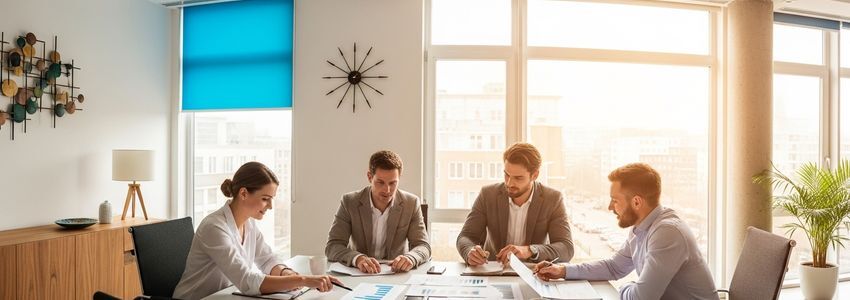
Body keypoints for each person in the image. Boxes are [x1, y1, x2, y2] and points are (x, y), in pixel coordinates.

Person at [534, 163, 718, 300]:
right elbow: (614, 267)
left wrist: (625, 287)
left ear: (636, 202)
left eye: (615, 200)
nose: (609, 207)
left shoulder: (667, 233)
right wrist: (562, 271)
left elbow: (641, 298)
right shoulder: (641, 227)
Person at [174, 162, 341, 299]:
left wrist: (287, 274)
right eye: (265, 199)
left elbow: (267, 260)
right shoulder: (214, 227)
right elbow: (247, 281)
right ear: (243, 193)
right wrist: (302, 280)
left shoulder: (249, 224)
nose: (270, 206)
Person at [456, 142, 574, 266]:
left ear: (534, 175)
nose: (509, 183)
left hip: (534, 272)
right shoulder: (488, 195)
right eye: (507, 175)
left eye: (518, 178)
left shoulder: (553, 199)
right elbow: (466, 236)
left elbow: (566, 248)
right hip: (493, 270)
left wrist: (530, 250)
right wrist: (469, 252)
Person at [325, 150, 431, 273]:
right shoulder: (349, 202)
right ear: (370, 177)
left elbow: (423, 246)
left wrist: (411, 258)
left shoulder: (411, 203)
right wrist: (357, 259)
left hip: (395, 273)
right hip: (360, 272)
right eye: (380, 182)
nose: (387, 190)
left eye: (393, 183)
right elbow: (333, 246)